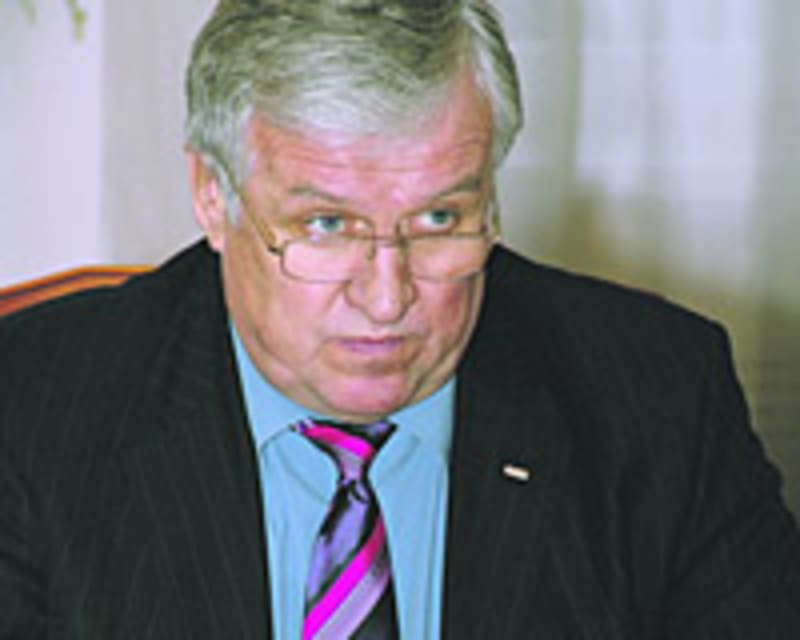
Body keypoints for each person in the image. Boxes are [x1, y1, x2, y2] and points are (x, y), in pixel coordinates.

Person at [1, 0, 799, 637]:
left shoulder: (657, 401)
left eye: (439, 220)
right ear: (214, 195)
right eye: (327, 226)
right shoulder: (33, 411)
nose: (387, 299)